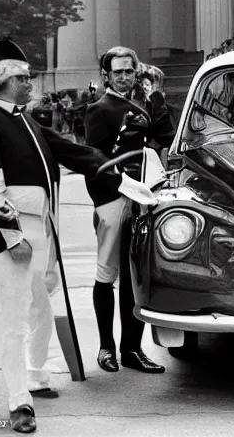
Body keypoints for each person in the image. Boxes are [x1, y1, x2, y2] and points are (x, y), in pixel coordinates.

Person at [0, 53, 116, 433]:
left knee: (41, 306)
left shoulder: (27, 121)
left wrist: (118, 175)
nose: (31, 81)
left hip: (45, 228)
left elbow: (74, 152)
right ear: (2, 82)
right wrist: (12, 236)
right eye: (23, 77)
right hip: (18, 230)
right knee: (14, 318)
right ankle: (19, 400)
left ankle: (35, 374)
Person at [84, 46, 175, 374]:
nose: (124, 76)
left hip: (144, 198)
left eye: (129, 70)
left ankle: (132, 349)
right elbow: (92, 159)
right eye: (118, 71)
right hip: (115, 198)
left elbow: (165, 136)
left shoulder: (145, 104)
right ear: (107, 74)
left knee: (135, 274)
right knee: (106, 273)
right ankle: (106, 346)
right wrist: (107, 200)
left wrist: (157, 98)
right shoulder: (100, 108)